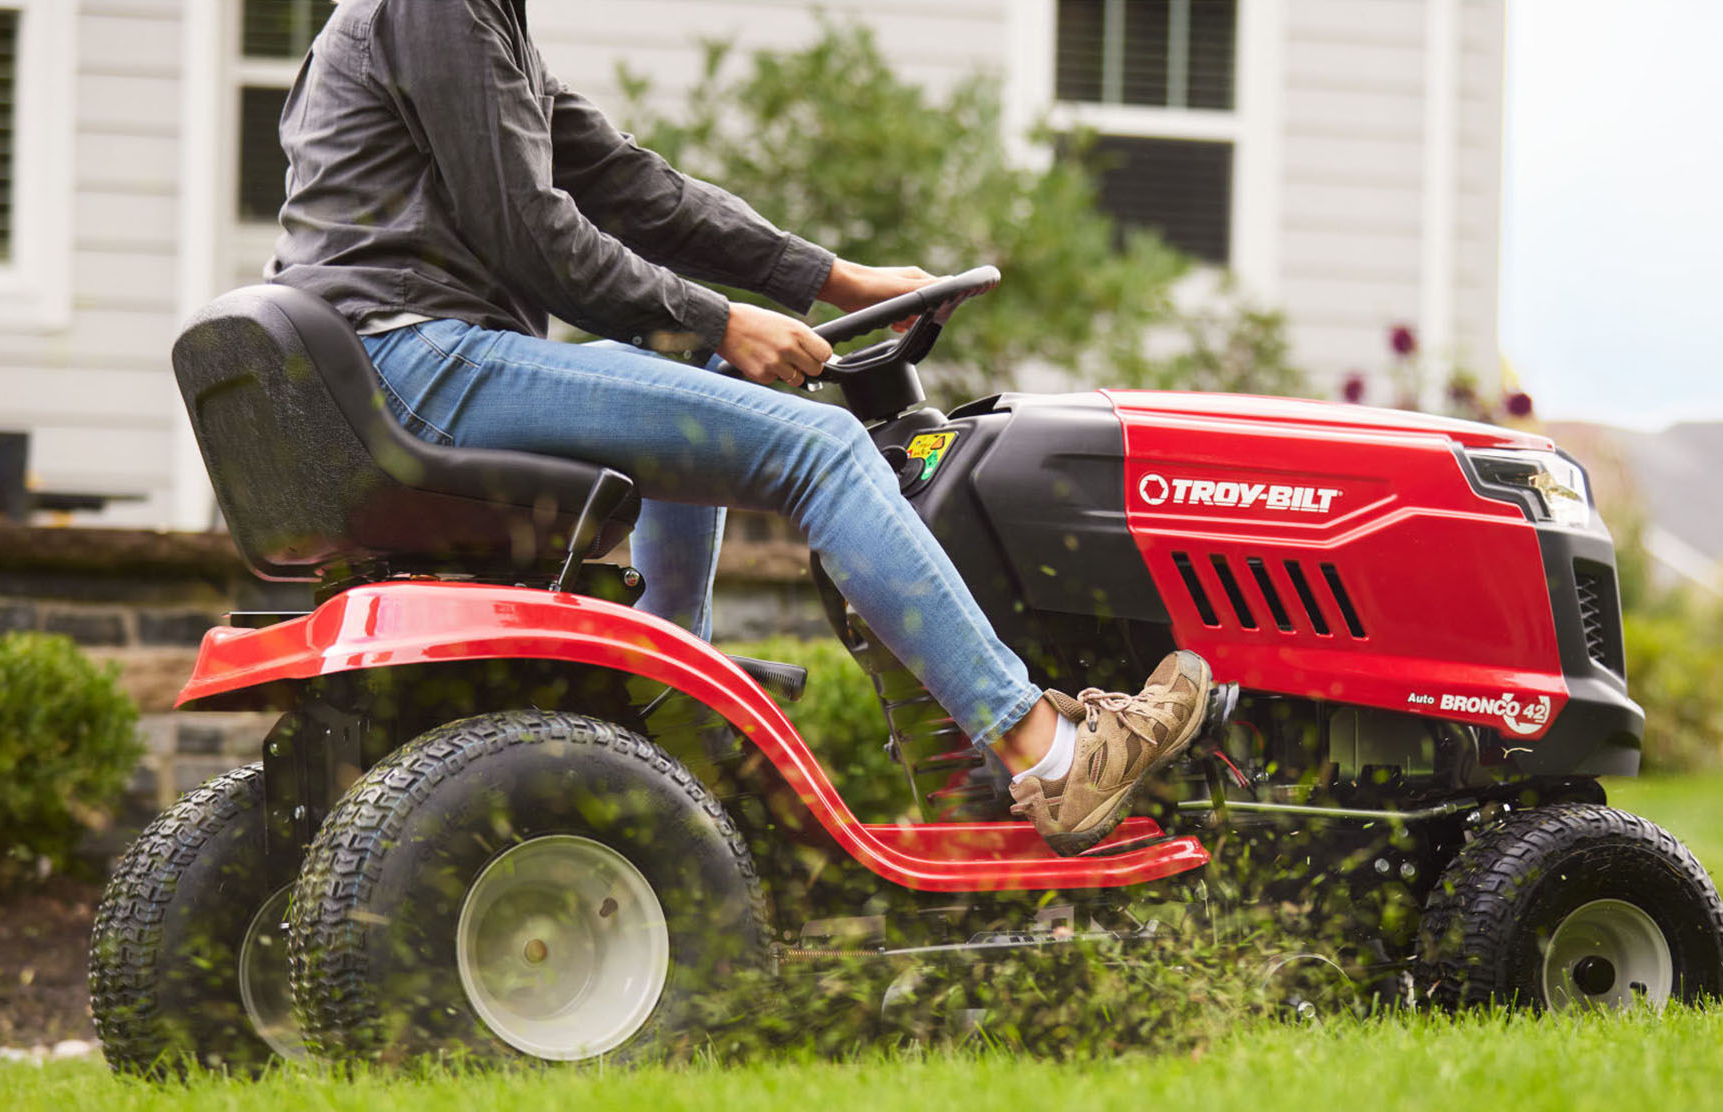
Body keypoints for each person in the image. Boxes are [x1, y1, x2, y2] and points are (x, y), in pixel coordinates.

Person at [267, 0, 1211, 854]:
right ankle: (1045, 751)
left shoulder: (474, 26)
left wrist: (835, 280)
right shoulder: (441, 7)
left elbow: (631, 187)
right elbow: (534, 233)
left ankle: (672, 707)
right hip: (418, 361)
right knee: (826, 448)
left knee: (714, 376)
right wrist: (723, 317)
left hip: (400, 362)